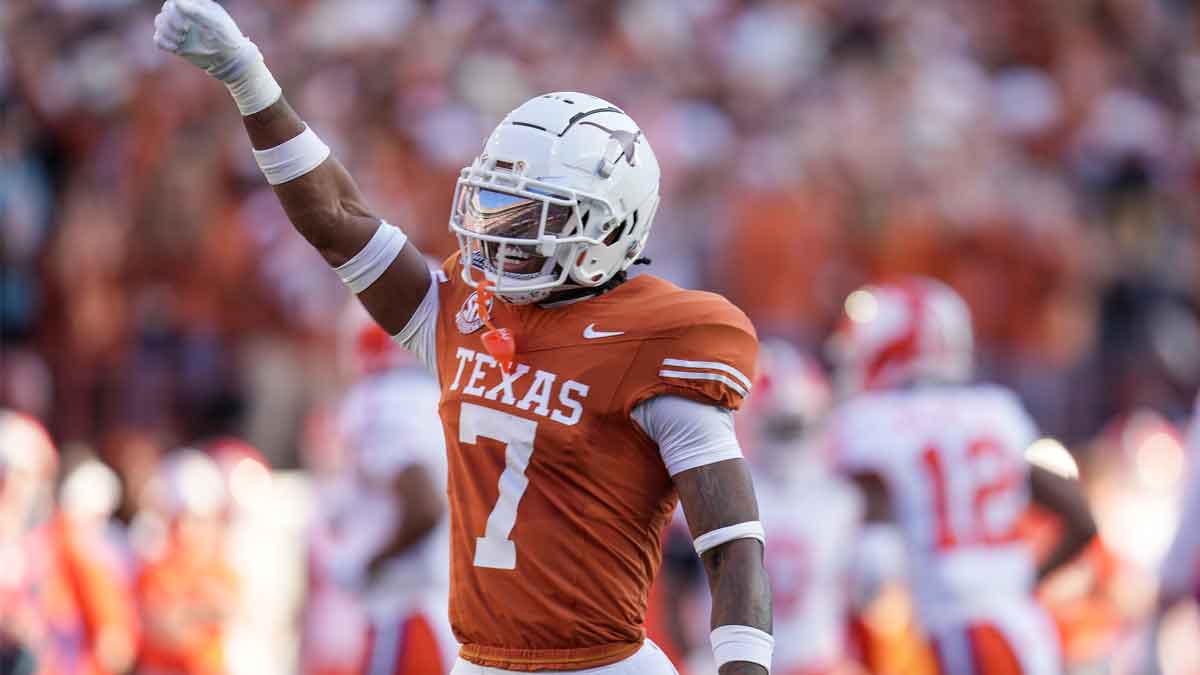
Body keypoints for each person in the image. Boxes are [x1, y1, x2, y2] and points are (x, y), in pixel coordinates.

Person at [152, 2, 773, 674]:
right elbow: (335, 218)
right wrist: (250, 80)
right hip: (476, 661)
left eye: (535, 212)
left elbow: (733, 541)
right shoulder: (466, 313)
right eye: (500, 205)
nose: (504, 232)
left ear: (609, 226)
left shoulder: (658, 339)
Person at [826, 278, 1097, 675]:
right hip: (1028, 630)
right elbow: (1081, 518)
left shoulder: (871, 424)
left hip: (958, 636)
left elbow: (873, 567)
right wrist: (1017, 580)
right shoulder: (997, 411)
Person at [306, 310, 455, 675]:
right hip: (431, 609)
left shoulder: (388, 402)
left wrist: (366, 562)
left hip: (404, 613)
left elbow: (423, 506)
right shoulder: (430, 395)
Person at [737, 341, 865, 675]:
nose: (791, 441)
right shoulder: (719, 494)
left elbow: (867, 599)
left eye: (795, 427)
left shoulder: (841, 500)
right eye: (782, 428)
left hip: (816, 662)